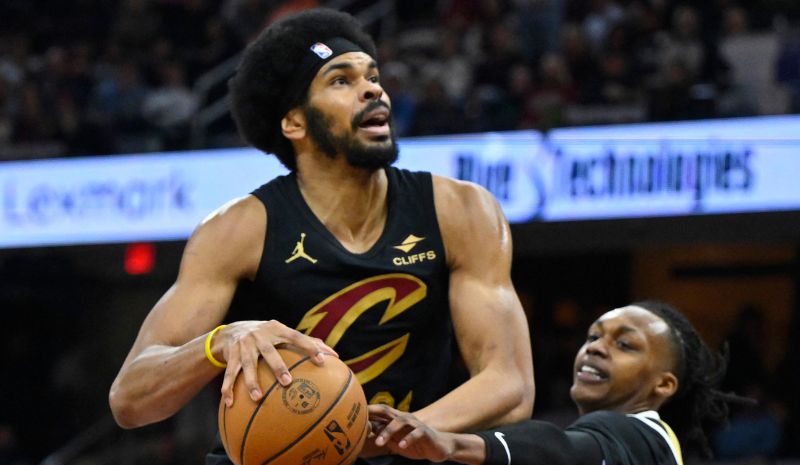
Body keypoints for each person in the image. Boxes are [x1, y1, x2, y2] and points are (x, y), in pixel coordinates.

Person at [107, 8, 534, 465]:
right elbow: (130, 398)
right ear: (294, 124)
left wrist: (407, 431)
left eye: (372, 75)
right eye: (341, 81)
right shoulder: (238, 230)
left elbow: (511, 385)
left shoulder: (460, 210)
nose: (373, 88)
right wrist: (219, 342)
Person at [369, 300, 738, 465]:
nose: (596, 349)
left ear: (663, 385)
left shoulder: (642, 436)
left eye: (624, 344)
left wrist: (452, 443)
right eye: (593, 337)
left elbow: (559, 448)